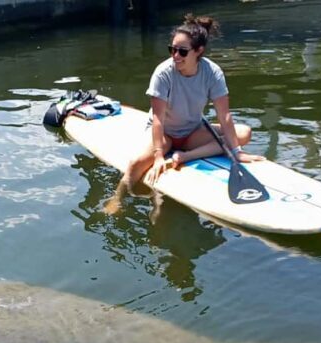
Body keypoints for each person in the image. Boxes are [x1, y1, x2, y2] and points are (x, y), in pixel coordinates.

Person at [104, 14, 264, 215]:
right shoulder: (163, 73)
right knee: (137, 163)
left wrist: (236, 152)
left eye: (182, 51)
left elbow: (224, 116)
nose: (175, 56)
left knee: (244, 133)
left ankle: (185, 156)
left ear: (198, 51)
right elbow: (157, 120)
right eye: (172, 50)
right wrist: (159, 156)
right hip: (165, 134)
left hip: (193, 131)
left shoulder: (212, 72)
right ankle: (117, 198)